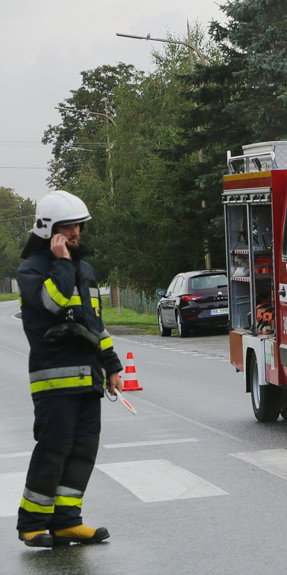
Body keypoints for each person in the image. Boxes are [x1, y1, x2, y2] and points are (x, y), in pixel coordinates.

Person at [16, 190, 122, 547]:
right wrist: (61, 261)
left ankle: (67, 522)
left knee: (82, 452)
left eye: (78, 225)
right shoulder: (31, 270)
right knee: (54, 450)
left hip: (89, 379)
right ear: (48, 230)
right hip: (54, 382)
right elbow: (53, 302)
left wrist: (112, 366)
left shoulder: (85, 269)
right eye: (68, 227)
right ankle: (31, 524)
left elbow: (94, 323)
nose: (76, 232)